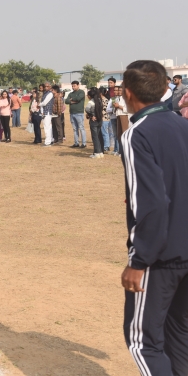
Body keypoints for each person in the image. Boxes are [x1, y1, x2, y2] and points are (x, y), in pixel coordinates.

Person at [116, 60, 188, 375]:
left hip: (162, 257)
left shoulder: (136, 134)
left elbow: (152, 203)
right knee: (178, 334)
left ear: (127, 93)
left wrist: (139, 261)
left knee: (142, 342)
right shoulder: (183, 125)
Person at [65, 81, 86, 148]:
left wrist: (71, 100)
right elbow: (66, 101)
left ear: (78, 85)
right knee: (75, 129)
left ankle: (84, 143)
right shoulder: (71, 93)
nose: (73, 87)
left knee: (81, 128)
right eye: (72, 86)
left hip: (79, 113)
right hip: (72, 113)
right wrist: (73, 101)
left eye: (74, 86)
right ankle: (76, 143)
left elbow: (78, 99)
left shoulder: (81, 92)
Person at [85, 88, 103, 158]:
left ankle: (96, 152)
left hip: (94, 120)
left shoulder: (91, 102)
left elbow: (87, 109)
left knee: (94, 137)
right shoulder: (99, 100)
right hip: (99, 119)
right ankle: (100, 152)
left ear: (90, 96)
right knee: (98, 136)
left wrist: (91, 115)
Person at [40, 82, 54, 146]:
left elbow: (44, 103)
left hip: (47, 112)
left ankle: (47, 142)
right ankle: (51, 140)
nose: (46, 88)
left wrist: (39, 104)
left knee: (47, 127)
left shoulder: (50, 94)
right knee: (49, 127)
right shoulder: (45, 93)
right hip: (45, 112)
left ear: (50, 87)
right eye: (45, 86)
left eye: (47, 86)